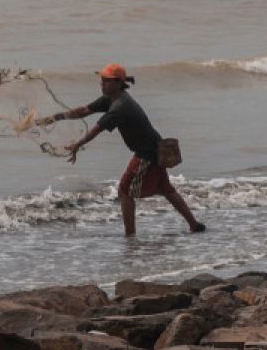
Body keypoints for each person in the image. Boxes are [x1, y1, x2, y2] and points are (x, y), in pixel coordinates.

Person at [37, 63, 206, 237]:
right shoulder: (113, 98)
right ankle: (194, 225)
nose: (101, 84)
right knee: (167, 190)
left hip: (146, 155)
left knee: (124, 192)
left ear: (118, 83)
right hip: (155, 149)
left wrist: (77, 145)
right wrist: (54, 118)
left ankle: (130, 236)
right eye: (101, 81)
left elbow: (97, 129)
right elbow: (85, 110)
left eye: (106, 81)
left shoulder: (120, 106)